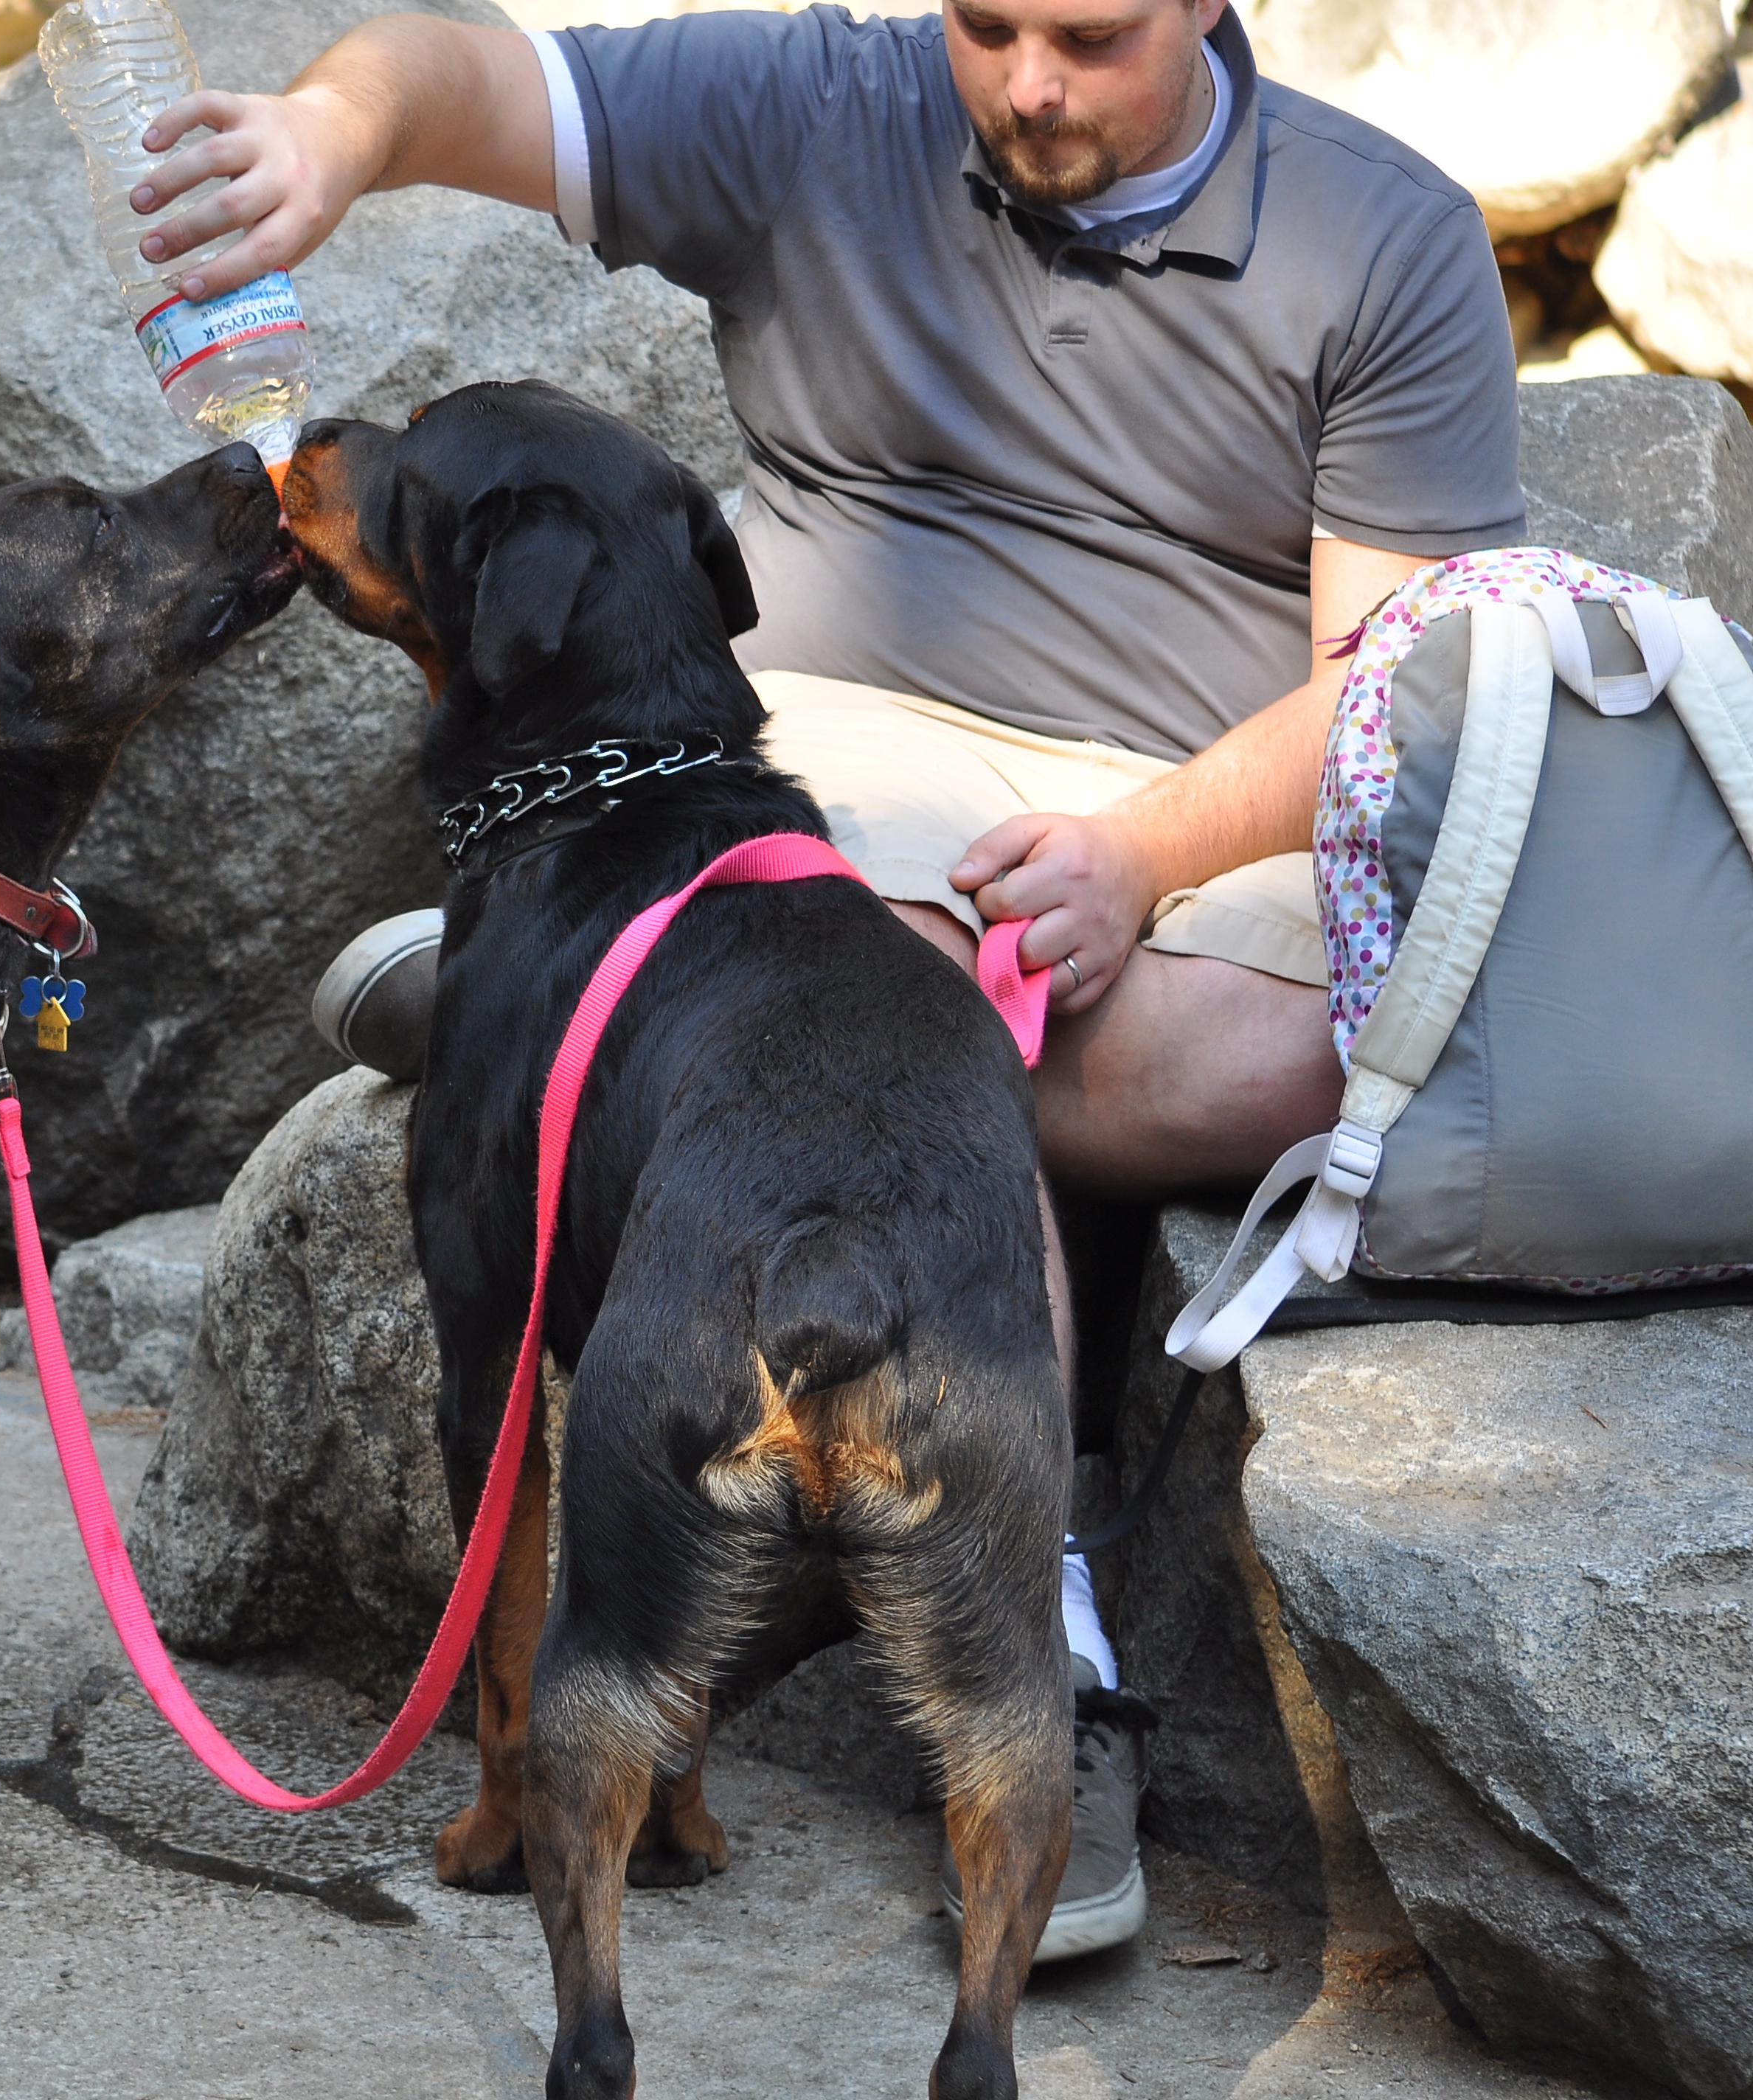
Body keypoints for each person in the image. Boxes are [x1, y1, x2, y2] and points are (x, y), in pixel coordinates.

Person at [162, 0, 1521, 1958]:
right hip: (850, 767)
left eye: (1091, 36)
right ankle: (1032, 1633)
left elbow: (1387, 695)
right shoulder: (821, 104)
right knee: (884, 1005)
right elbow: (475, 76)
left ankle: (551, 1020)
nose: (1031, 80)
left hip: (1206, 804)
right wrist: (323, 134)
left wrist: (1144, 857)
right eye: (990, 26)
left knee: (1310, 1058)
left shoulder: (1379, 237)